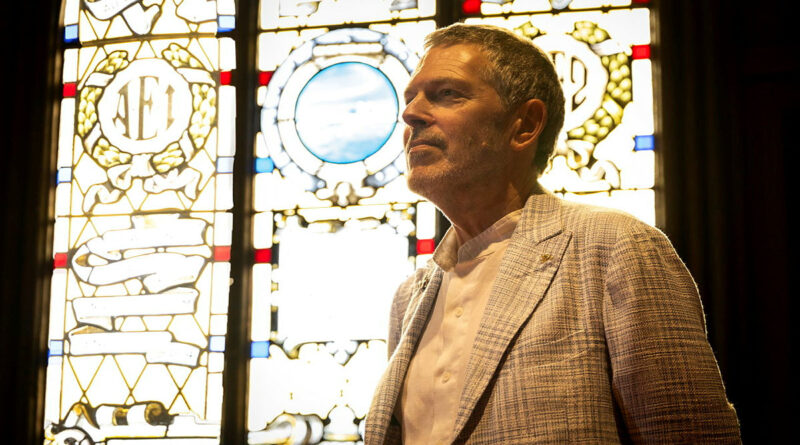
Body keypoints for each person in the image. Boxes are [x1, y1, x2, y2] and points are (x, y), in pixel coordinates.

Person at [364, 23, 741, 444]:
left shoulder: (614, 247)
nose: (410, 113)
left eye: (446, 94)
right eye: (410, 97)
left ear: (524, 124)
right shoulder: (409, 298)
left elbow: (689, 434)